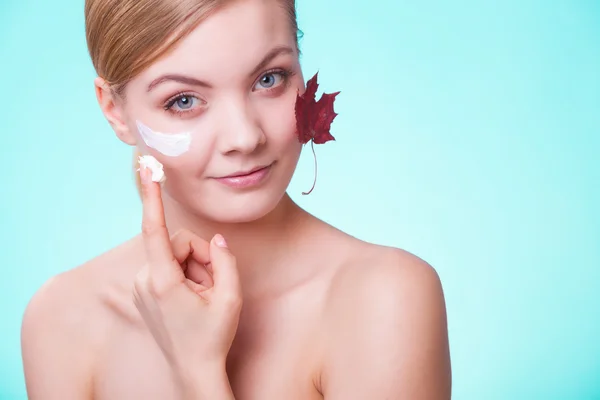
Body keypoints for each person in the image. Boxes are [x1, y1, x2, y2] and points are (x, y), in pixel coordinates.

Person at [21, 0, 452, 398]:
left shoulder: (383, 299)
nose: (245, 137)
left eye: (269, 79)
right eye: (183, 100)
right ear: (115, 112)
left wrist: (197, 371)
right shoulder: (62, 318)